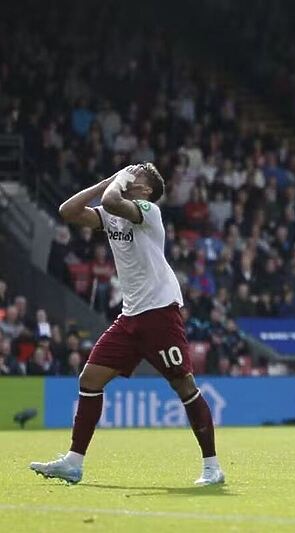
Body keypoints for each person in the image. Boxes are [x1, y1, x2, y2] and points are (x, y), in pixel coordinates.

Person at [30, 163, 224, 486]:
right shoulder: (113, 211)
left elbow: (110, 202)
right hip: (130, 316)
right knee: (89, 379)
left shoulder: (149, 211)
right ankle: (74, 462)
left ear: (146, 188)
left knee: (184, 386)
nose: (133, 171)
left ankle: (212, 467)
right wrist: (107, 179)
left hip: (160, 312)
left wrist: (119, 179)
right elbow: (68, 210)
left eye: (140, 172)